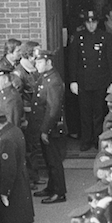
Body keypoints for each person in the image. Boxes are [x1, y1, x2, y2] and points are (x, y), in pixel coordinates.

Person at [68, 10, 112, 151]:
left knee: (99, 112)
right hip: (83, 81)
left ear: (97, 22)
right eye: (88, 22)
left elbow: (110, 60)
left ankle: (97, 139)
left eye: (93, 22)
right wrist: (73, 81)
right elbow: (73, 61)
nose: (91, 25)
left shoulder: (105, 37)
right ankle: (86, 139)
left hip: (100, 81)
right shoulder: (78, 37)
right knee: (85, 113)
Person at [30, 49, 67, 203]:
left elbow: (53, 109)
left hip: (51, 128)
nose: (36, 65)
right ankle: (52, 187)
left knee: (54, 161)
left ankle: (59, 192)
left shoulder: (53, 81)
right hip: (45, 127)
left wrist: (45, 130)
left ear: (48, 62)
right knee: (48, 159)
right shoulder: (45, 78)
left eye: (39, 62)